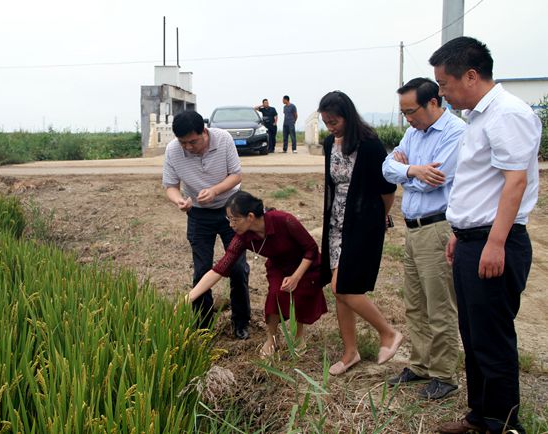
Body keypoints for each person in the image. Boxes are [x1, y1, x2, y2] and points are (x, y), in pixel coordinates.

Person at [429, 37, 541, 434]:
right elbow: (480, 184)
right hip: (473, 240)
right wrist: (460, 233)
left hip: (497, 242)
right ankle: (480, 416)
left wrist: (494, 242)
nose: (441, 93)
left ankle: (503, 425)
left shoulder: (507, 114)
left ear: (471, 76)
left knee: (493, 340)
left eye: (444, 84)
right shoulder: (478, 118)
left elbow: (515, 182)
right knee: (474, 335)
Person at [382, 77, 466, 400]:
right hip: (413, 229)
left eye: (411, 111)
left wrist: (408, 173)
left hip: (437, 228)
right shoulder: (412, 133)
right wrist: (413, 171)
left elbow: (436, 179)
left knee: (439, 305)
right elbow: (387, 167)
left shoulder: (455, 132)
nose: (407, 119)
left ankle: (444, 375)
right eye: (403, 113)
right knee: (415, 304)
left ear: (433, 102)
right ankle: (420, 365)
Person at [318, 90, 402, 376]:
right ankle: (350, 352)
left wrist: (379, 218)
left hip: (363, 223)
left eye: (334, 121)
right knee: (339, 289)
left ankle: (388, 332)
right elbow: (332, 185)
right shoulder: (329, 143)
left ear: (348, 116)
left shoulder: (370, 144)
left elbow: (387, 189)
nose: (330, 127)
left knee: (344, 287)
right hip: (336, 223)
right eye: (326, 122)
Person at [185, 190, 328, 357]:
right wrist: (188, 298)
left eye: (234, 219)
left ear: (250, 217)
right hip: (278, 266)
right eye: (229, 219)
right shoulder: (242, 237)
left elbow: (311, 249)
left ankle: (298, 337)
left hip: (305, 265)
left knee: (300, 296)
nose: (231, 225)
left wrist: (296, 277)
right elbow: (220, 268)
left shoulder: (284, 220)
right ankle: (271, 338)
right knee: (274, 295)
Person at [162, 110, 251, 340]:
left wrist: (214, 191)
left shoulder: (223, 139)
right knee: (201, 270)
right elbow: (170, 186)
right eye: (183, 143)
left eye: (192, 141)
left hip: (231, 210)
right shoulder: (173, 150)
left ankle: (241, 322)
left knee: (238, 268)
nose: (188, 147)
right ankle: (203, 326)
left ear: (204, 131)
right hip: (198, 215)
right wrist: (179, 200)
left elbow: (236, 175)